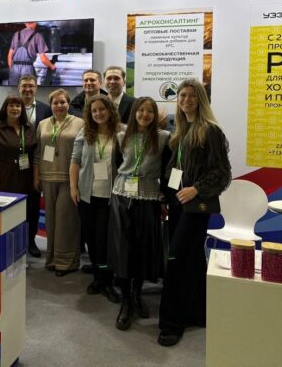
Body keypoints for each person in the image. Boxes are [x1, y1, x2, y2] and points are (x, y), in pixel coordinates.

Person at [158, 78, 231, 347]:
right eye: (182, 95)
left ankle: (171, 324)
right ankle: (198, 312)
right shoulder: (180, 131)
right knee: (193, 258)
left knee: (177, 259)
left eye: (191, 96)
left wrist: (196, 189)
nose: (186, 100)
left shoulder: (210, 131)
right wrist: (166, 197)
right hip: (178, 203)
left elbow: (222, 173)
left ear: (201, 99)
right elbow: (175, 171)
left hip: (196, 206)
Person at [109, 97, 171, 330]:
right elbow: (117, 166)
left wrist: (165, 199)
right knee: (124, 250)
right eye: (141, 110)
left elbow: (167, 172)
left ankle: (137, 294)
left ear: (155, 115)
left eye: (150, 111)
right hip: (122, 197)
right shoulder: (121, 136)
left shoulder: (164, 138)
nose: (145, 114)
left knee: (142, 250)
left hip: (148, 198)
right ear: (134, 112)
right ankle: (126, 301)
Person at [70, 95, 121, 302]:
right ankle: (99, 278)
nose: (98, 113)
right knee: (92, 239)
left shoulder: (121, 132)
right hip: (87, 195)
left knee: (105, 241)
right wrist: (73, 187)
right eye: (94, 111)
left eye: (102, 109)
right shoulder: (85, 132)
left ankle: (107, 280)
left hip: (110, 197)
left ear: (110, 110)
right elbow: (75, 161)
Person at [33, 89, 84, 276]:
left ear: (68, 104)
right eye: (55, 103)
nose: (59, 105)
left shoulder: (80, 123)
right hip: (47, 177)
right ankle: (52, 259)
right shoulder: (43, 124)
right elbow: (37, 153)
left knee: (66, 221)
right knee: (51, 221)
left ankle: (66, 262)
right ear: (51, 105)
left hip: (68, 179)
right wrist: (36, 176)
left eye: (63, 102)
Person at [18, 74, 52, 257]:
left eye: (31, 86)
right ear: (19, 88)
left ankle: (31, 242)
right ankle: (17, 243)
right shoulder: (12, 106)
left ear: (36, 88)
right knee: (15, 205)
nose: (27, 89)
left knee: (33, 205)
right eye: (24, 86)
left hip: (36, 164)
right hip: (15, 166)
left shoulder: (46, 109)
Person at [0, 95, 37, 203]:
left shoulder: (29, 128)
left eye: (18, 106)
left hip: (27, 176)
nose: (15, 108)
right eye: (11, 105)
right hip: (5, 176)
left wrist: (37, 177)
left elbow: (35, 153)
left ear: (22, 109)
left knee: (27, 207)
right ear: (5, 108)